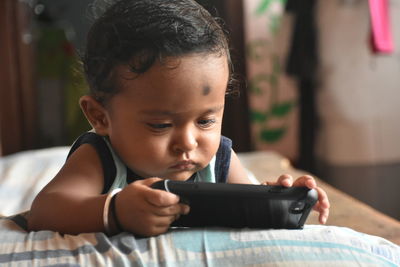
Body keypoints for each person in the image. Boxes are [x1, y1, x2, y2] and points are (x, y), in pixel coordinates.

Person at [28, 0, 329, 237]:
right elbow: (45, 211)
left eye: (206, 121)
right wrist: (115, 211)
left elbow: (246, 203)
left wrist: (280, 197)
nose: (188, 142)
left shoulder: (219, 159)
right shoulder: (100, 157)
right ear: (100, 116)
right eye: (161, 125)